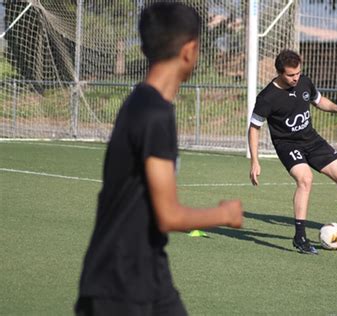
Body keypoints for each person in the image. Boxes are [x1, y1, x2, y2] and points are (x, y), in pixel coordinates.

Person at [75, 3, 243, 316]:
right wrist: (224, 214)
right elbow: (169, 216)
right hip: (119, 285)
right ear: (190, 50)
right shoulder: (154, 115)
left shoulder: (142, 103)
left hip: (149, 272)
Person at [248, 49, 337, 255]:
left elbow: (319, 101)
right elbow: (254, 128)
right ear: (279, 72)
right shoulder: (267, 97)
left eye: (298, 73)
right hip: (287, 145)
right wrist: (254, 161)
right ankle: (300, 237)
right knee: (305, 179)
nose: (296, 78)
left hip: (311, 140)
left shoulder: (304, 82)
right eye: (291, 75)